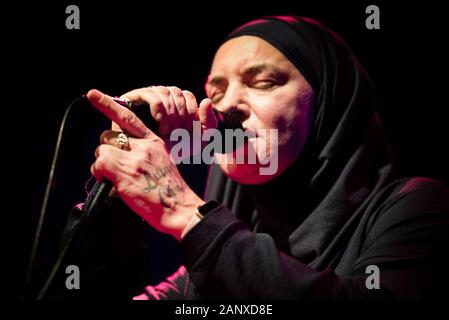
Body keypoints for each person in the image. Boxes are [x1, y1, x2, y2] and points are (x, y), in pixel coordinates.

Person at [42, 15, 449, 300]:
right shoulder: (213, 268)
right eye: (216, 92)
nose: (227, 104)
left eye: (263, 82)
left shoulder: (416, 207)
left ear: (328, 104)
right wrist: (116, 197)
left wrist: (188, 214)